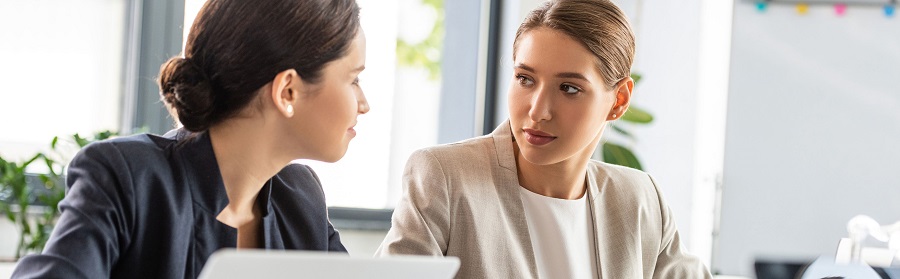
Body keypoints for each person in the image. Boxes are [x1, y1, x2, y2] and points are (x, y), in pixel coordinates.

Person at [12, 0, 367, 278]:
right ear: (287, 91)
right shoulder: (128, 179)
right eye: (353, 79)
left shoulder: (301, 198)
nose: (364, 104)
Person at [376, 0, 711, 278]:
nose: (538, 111)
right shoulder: (445, 178)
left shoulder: (638, 200)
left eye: (569, 88)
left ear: (619, 100)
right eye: (525, 79)